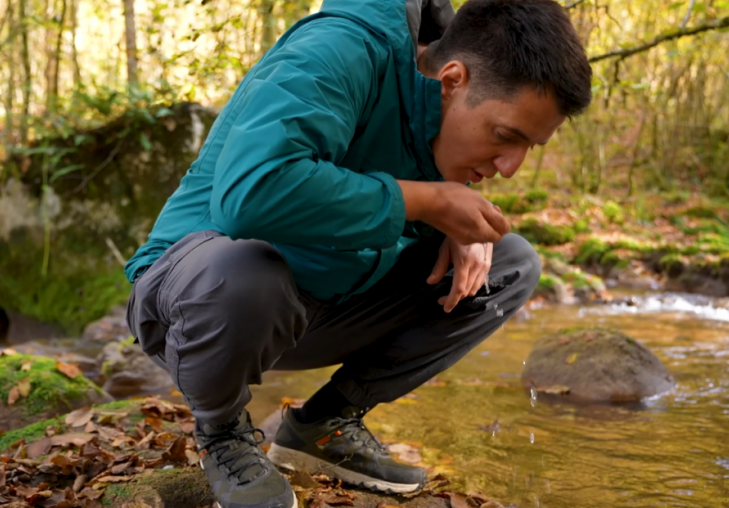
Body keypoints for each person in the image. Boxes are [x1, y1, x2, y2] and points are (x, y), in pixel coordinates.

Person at [124, 0, 591, 506]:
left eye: (529, 148)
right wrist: (428, 200)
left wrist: (452, 218)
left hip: (316, 308)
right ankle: (222, 434)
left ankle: (326, 425)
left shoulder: (444, 105)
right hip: (193, 300)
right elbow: (250, 195)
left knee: (510, 262)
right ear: (453, 80)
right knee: (243, 272)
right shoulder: (339, 50)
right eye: (505, 137)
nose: (510, 167)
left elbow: (407, 173)